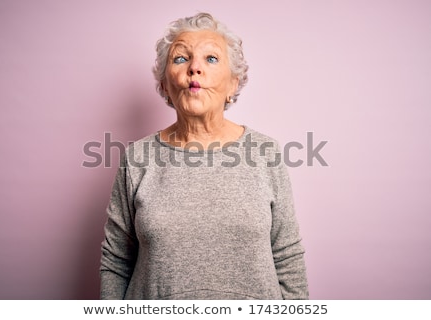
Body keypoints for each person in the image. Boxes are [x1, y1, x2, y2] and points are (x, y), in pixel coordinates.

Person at [100, 12, 309, 300]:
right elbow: (116, 262)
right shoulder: (137, 158)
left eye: (211, 59)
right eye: (180, 59)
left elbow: (287, 257)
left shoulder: (266, 153)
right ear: (164, 86)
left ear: (233, 84)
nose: (194, 68)